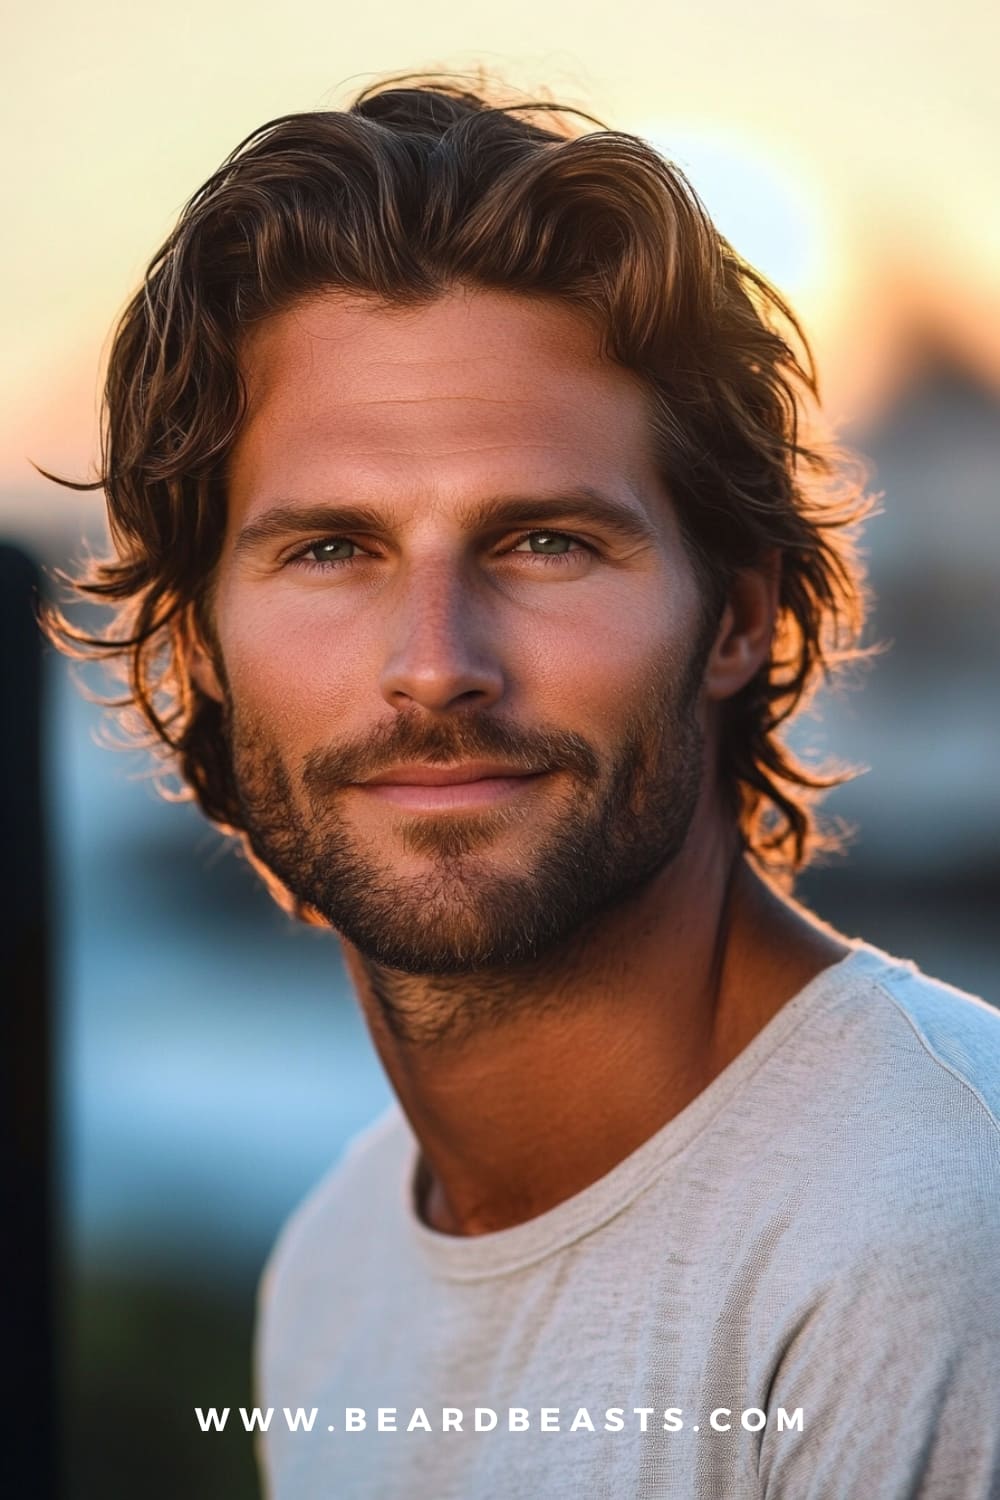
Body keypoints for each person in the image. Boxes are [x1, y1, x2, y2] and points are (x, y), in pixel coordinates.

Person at [44, 72, 1000, 1500]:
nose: (435, 667)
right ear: (199, 645)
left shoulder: (933, 1235)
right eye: (330, 550)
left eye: (544, 542)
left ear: (739, 617)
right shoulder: (337, 1265)